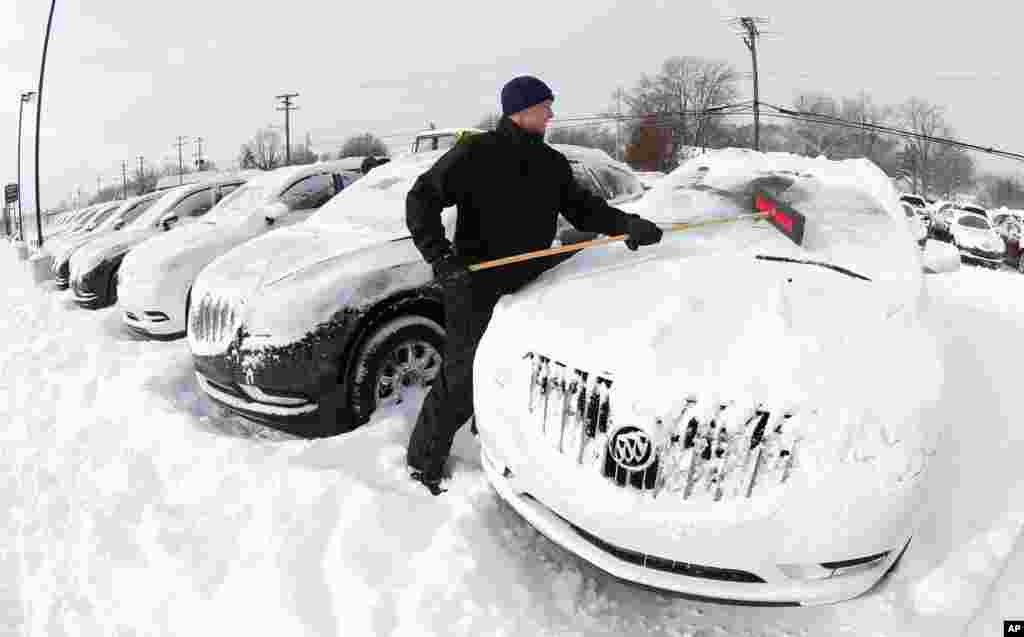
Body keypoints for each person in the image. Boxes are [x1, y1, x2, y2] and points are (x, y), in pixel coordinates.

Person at [404, 75, 664, 495]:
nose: (551, 114)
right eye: (545, 106)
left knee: (513, 372)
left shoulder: (551, 164)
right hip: (473, 282)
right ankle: (423, 463)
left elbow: (583, 210)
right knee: (462, 378)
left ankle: (501, 444)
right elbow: (421, 199)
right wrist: (441, 259)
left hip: (530, 281)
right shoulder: (476, 153)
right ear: (520, 110)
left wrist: (626, 225)